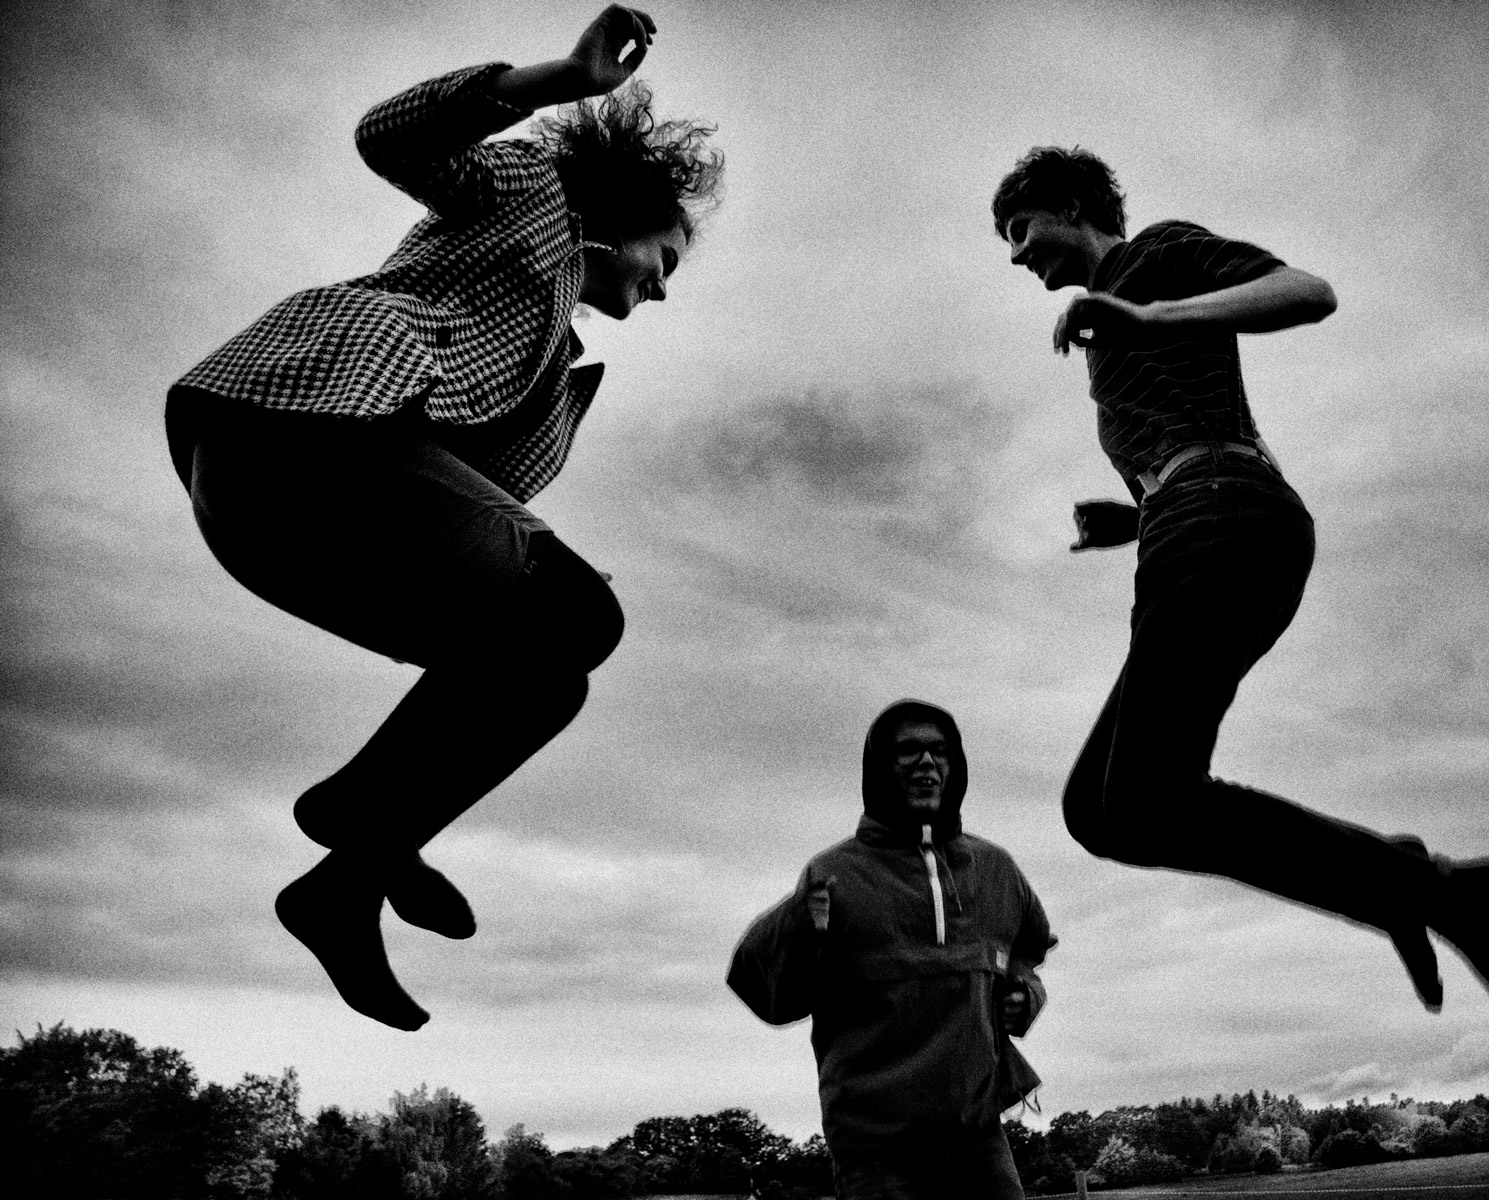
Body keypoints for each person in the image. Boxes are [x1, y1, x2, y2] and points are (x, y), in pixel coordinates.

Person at [164, 6, 721, 1030]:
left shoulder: (549, 373)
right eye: (666, 259)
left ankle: (348, 874)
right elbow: (393, 137)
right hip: (291, 434)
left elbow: (485, 531)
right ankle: (364, 818)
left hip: (293, 521)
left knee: (552, 669)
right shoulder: (527, 199)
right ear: (623, 213)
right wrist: (561, 78)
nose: (662, 290)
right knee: (581, 615)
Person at [990, 147, 1489, 1062]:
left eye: (1020, 229)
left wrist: (1148, 312)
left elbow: (1307, 291)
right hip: (1199, 518)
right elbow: (1197, 425)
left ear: (1069, 205)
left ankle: (1447, 895)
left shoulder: (1160, 253)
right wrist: (1130, 517)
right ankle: (1414, 890)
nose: (1016, 256)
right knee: (1099, 812)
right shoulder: (1117, 327)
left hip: (1227, 514)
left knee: (1141, 799)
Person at [729, 701, 1055, 1199]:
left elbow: (1026, 953)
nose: (927, 762)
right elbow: (765, 992)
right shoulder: (833, 875)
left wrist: (1025, 993)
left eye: (940, 751)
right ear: (878, 768)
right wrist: (798, 926)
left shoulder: (996, 869)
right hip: (876, 1151)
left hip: (977, 1136)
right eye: (908, 751)